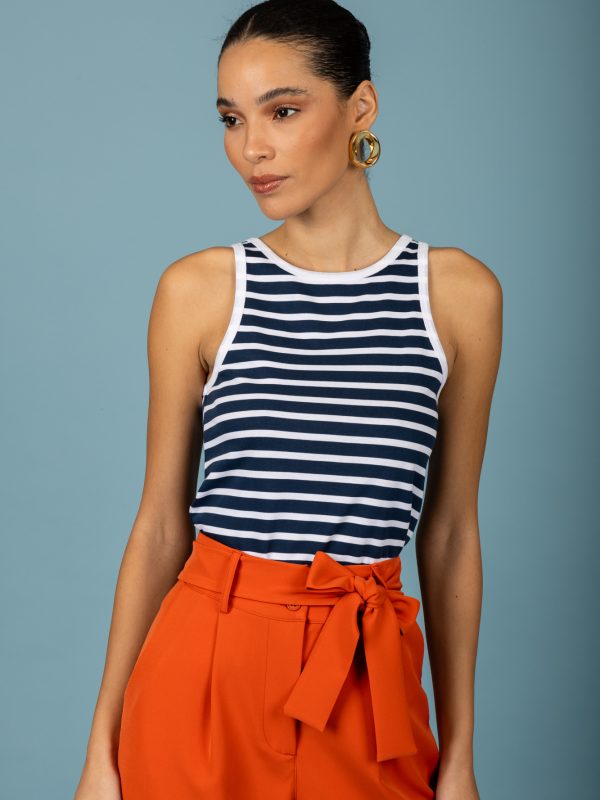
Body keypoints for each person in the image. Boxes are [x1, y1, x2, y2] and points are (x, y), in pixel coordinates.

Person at [74, 1, 502, 798]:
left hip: (366, 687)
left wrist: (460, 758)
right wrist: (100, 750)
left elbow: (448, 535)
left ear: (360, 108)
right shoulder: (202, 291)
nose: (252, 148)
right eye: (231, 119)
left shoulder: (457, 295)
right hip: (203, 674)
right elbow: (161, 524)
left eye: (283, 110)